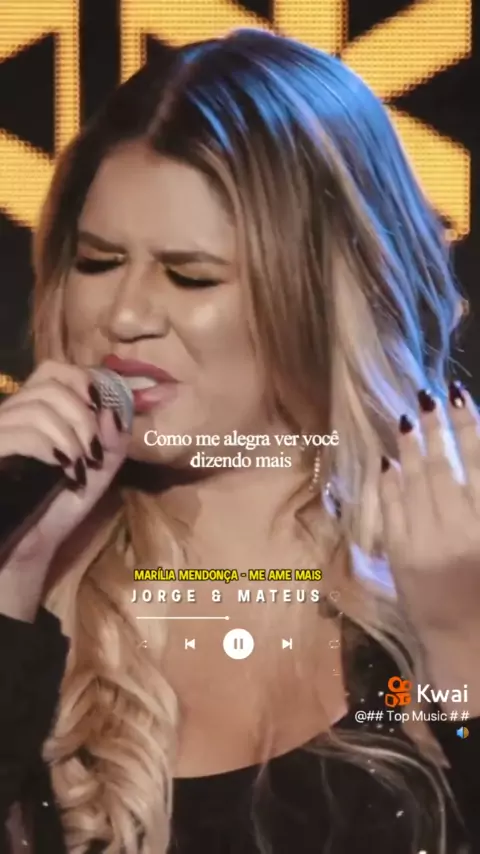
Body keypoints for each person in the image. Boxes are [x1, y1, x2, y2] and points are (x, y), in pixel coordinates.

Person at [0, 26, 478, 854]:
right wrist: (12, 579)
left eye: (190, 275)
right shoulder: (36, 598)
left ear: (325, 295)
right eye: (99, 261)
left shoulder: (448, 578)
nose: (125, 315)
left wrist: (461, 643)